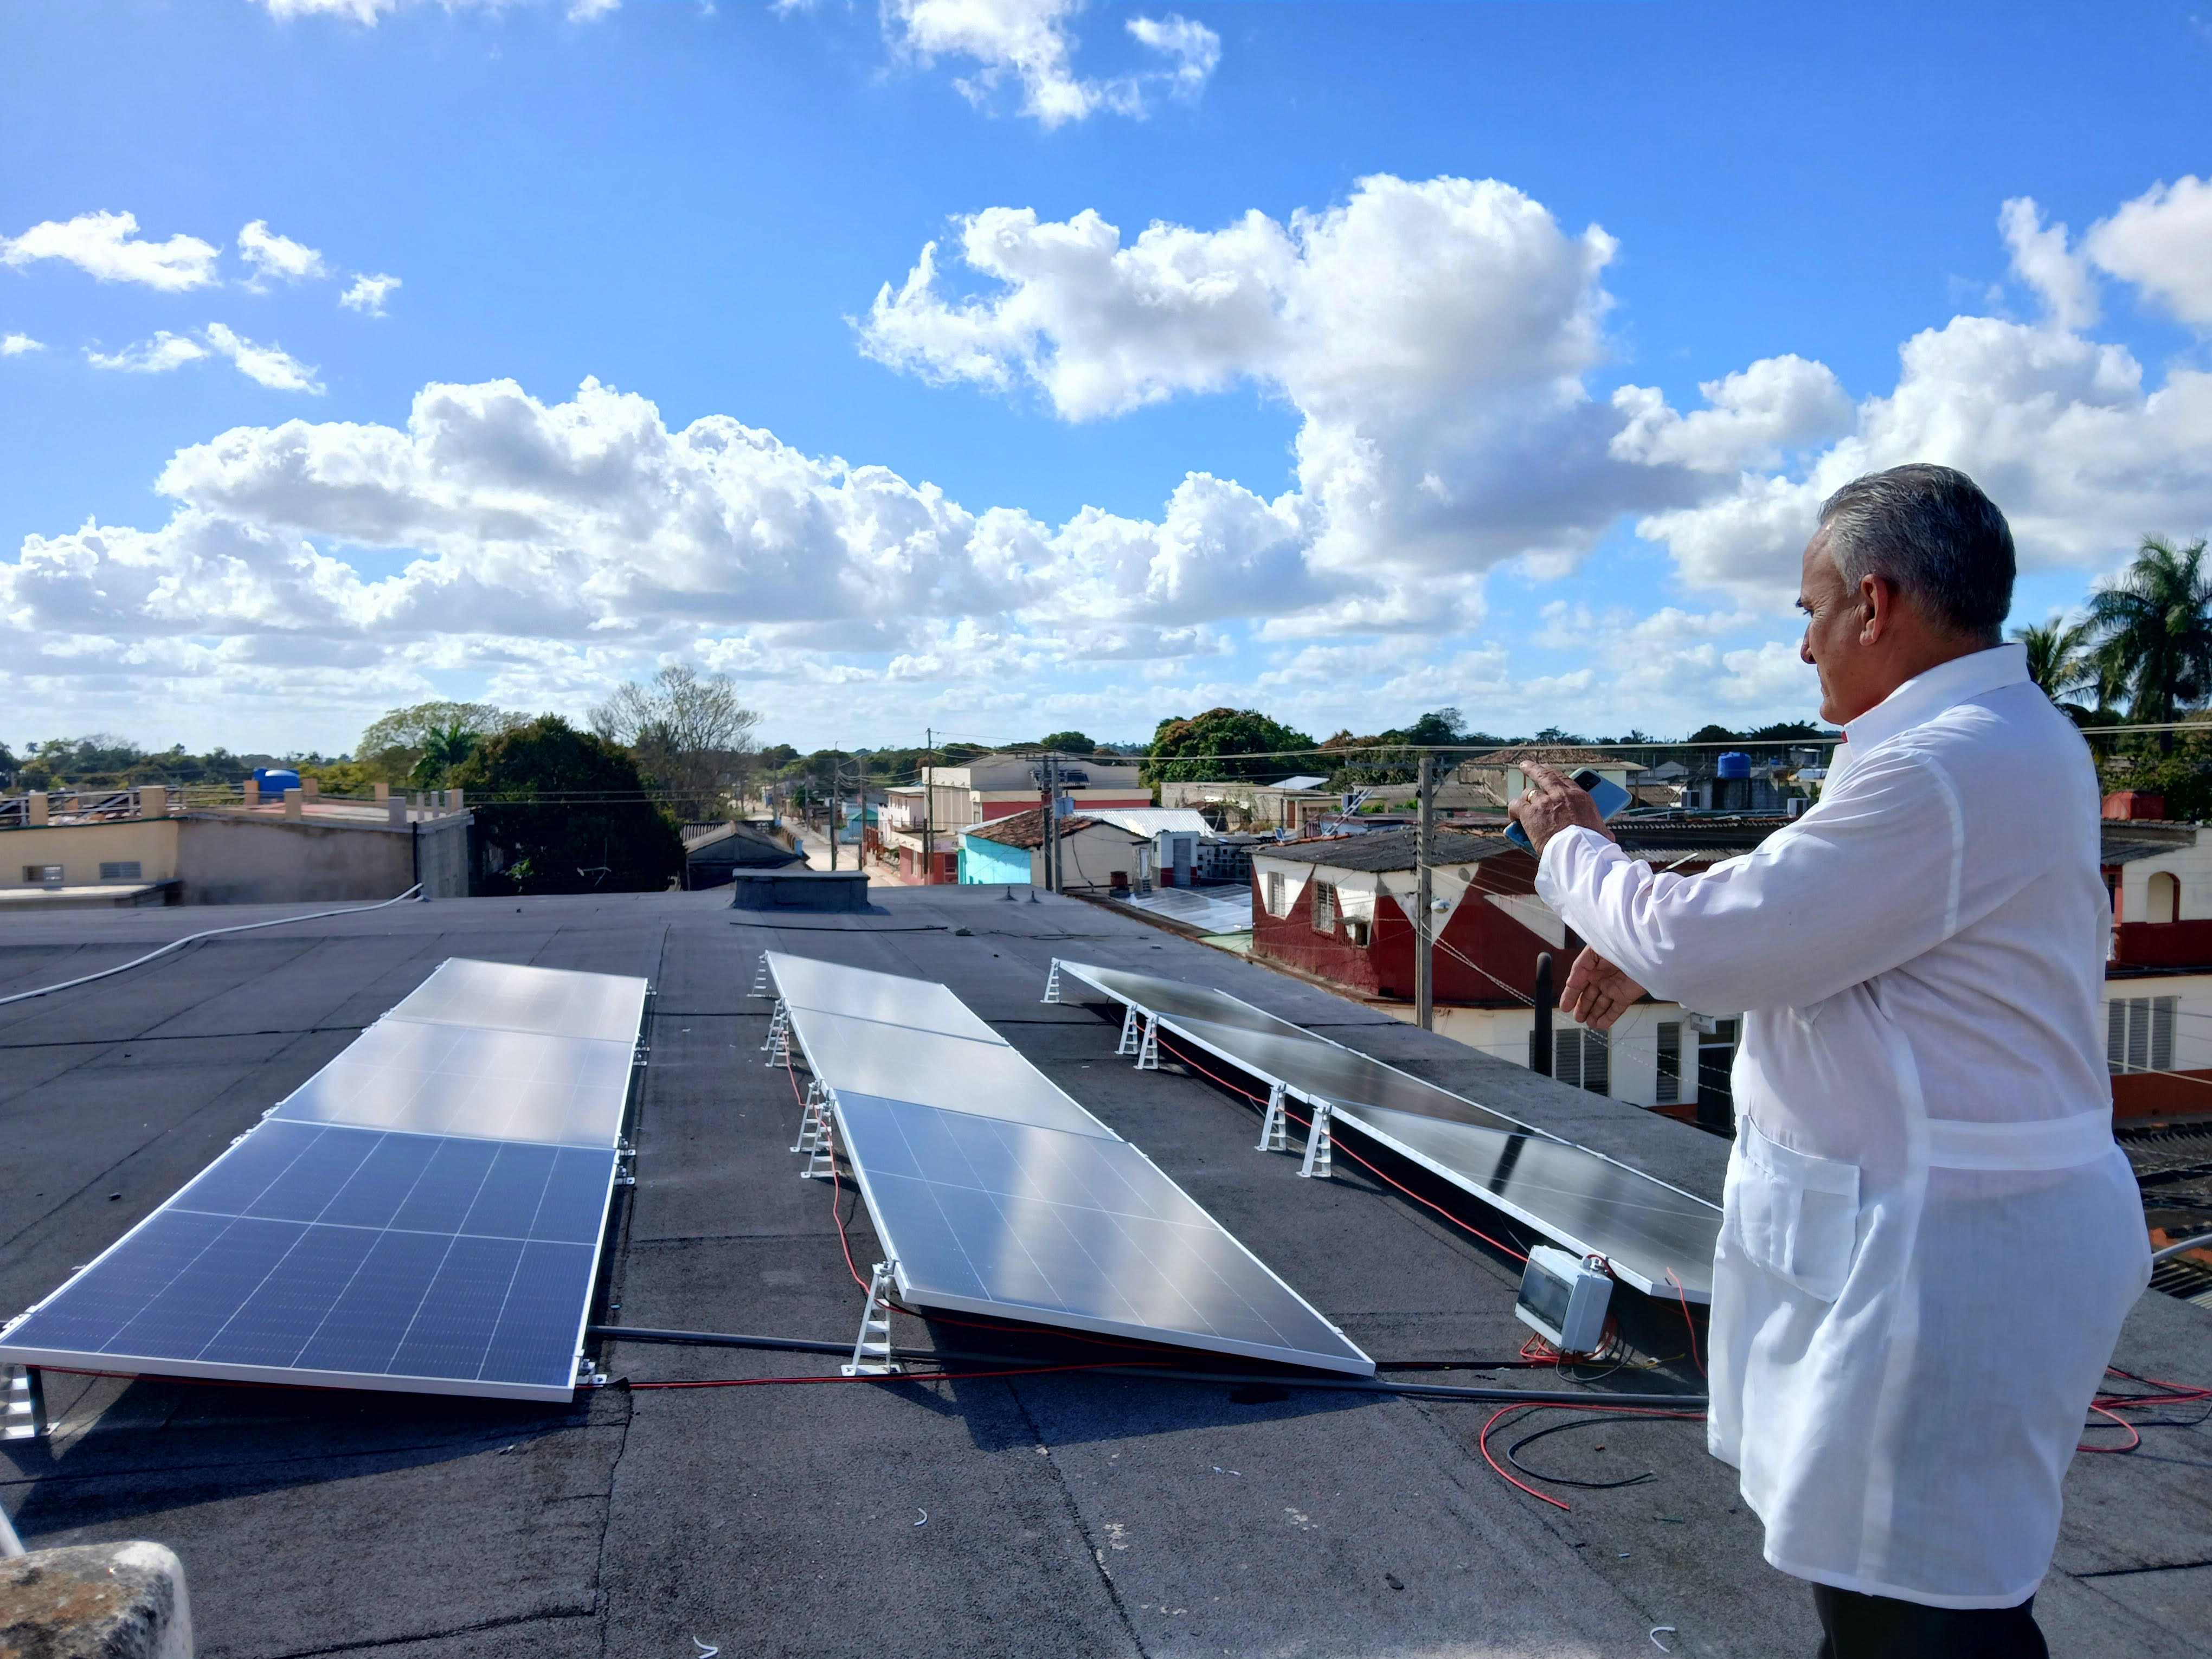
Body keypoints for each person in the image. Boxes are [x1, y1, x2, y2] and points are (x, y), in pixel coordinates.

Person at [1507, 464, 2150, 1659]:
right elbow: (1830, 915)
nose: (1804, 649)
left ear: (1876, 602)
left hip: (1947, 1253)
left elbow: (1715, 938)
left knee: (1916, 1616)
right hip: (1946, 1235)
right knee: (1895, 1595)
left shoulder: (1943, 762)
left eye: (1809, 612)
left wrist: (1575, 854)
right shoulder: (1983, 743)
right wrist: (1676, 937)